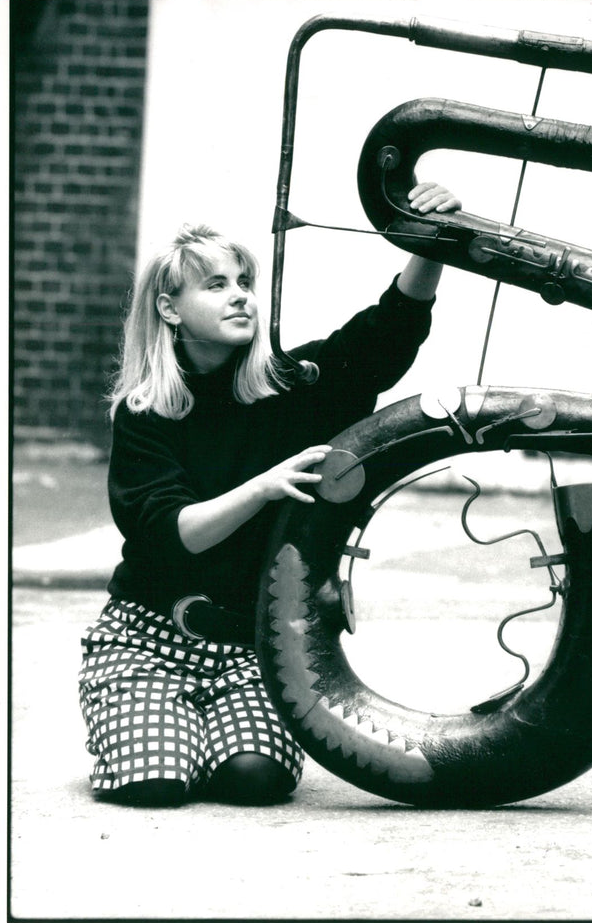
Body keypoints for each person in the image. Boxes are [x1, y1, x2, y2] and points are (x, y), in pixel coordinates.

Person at [78, 182, 461, 808]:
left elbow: (381, 342)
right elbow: (169, 532)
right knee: (156, 781)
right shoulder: (146, 412)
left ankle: (195, 736)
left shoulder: (288, 385)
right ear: (170, 310)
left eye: (244, 283)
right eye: (217, 285)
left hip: (252, 645)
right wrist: (263, 486)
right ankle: (143, 719)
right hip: (146, 639)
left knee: (255, 779)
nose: (240, 297)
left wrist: (431, 246)